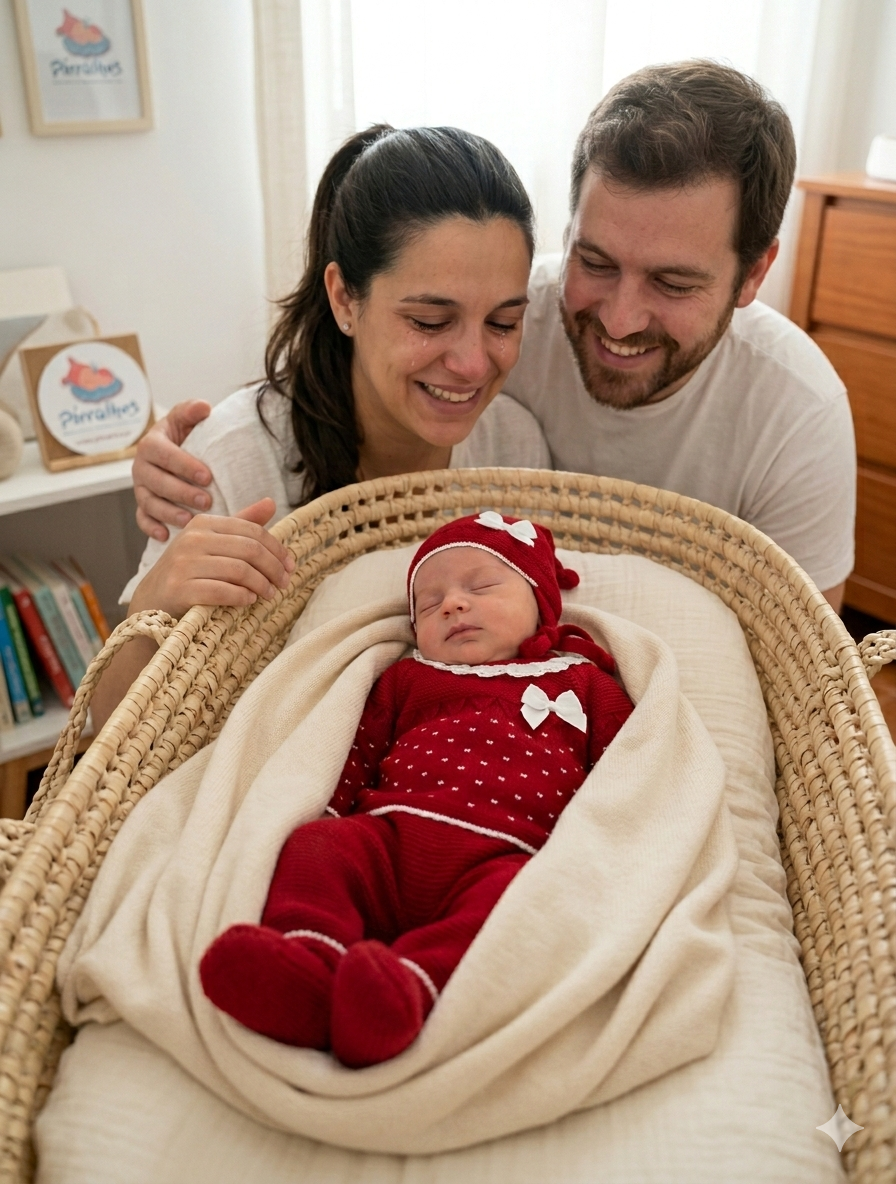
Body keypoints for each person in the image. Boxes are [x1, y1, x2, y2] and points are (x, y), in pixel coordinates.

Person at [134, 62, 855, 611]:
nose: (620, 318)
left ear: (755, 273)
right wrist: (183, 472)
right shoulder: (515, 303)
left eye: (673, 283)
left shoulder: (794, 412)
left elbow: (803, 675)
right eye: (594, 262)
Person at [92, 126, 552, 728]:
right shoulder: (233, 461)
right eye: (431, 321)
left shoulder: (514, 445)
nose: (471, 364)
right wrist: (154, 604)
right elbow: (110, 725)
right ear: (344, 299)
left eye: (502, 323)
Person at [199, 512, 634, 1068]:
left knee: (515, 909)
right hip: (388, 837)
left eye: (480, 587)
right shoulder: (408, 677)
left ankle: (404, 989)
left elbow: (629, 770)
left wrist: (597, 853)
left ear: (541, 601)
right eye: (428, 604)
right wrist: (328, 814)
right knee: (316, 848)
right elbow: (353, 751)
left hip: (505, 855)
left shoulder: (584, 681)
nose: (451, 604)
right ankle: (309, 961)